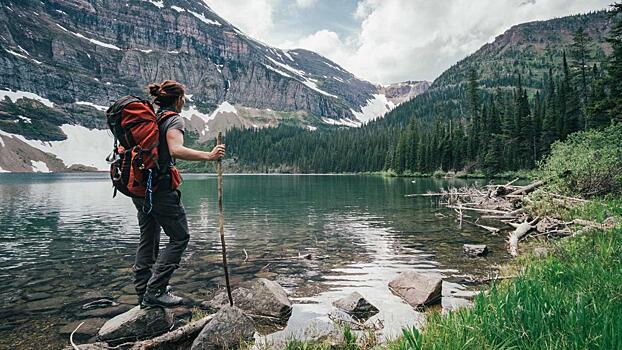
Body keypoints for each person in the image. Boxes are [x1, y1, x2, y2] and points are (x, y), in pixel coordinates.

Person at [133, 80, 225, 308]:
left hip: (140, 188)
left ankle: (143, 290)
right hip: (161, 191)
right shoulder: (174, 119)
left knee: (149, 238)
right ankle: (155, 290)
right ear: (178, 99)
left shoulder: (151, 118)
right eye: (183, 98)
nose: (184, 102)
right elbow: (175, 149)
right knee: (180, 236)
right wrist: (209, 156)